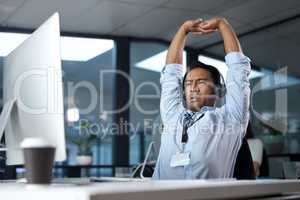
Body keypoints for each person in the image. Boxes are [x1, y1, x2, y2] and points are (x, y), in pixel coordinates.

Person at [152, 17, 252, 179]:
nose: (193, 88)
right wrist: (183, 30)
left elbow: (238, 69)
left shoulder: (230, 118)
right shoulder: (172, 116)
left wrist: (222, 24)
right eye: (189, 83)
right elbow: (170, 74)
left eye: (201, 82)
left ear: (219, 91)